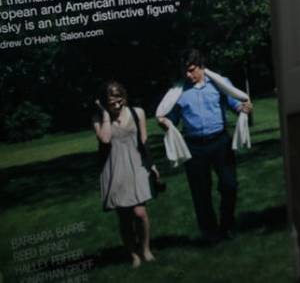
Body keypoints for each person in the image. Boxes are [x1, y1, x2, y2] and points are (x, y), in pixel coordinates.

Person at [156, 49, 252, 243]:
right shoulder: (178, 92)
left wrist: (245, 108)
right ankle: (210, 233)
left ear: (201, 66)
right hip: (194, 147)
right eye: (185, 71)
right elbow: (172, 118)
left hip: (220, 142)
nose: (187, 75)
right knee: (200, 192)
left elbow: (236, 104)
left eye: (191, 70)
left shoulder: (219, 83)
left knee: (229, 185)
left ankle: (227, 226)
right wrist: (164, 122)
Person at [93, 81, 157, 267]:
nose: (117, 105)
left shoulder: (138, 113)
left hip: (136, 166)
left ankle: (145, 249)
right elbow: (105, 139)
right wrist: (105, 114)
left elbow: (144, 141)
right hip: (114, 170)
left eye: (119, 100)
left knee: (140, 213)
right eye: (111, 103)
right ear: (105, 102)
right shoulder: (98, 118)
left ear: (124, 97)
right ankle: (133, 254)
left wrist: (152, 165)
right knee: (125, 218)